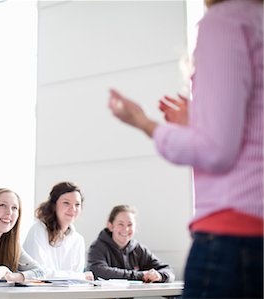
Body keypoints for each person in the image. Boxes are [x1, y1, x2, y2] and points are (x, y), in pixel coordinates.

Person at [108, 0, 263, 297]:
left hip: (232, 238)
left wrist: (145, 124)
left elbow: (217, 151)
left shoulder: (225, 21)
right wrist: (198, 122)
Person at [23, 182, 94, 280]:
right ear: (54, 205)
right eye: (66, 203)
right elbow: (38, 273)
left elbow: (77, 281)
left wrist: (78, 277)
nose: (73, 208)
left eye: (77, 204)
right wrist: (79, 276)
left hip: (66, 294)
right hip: (39, 293)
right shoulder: (38, 230)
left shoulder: (78, 240)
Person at [87, 205, 175, 282]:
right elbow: (97, 271)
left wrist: (159, 276)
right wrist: (140, 275)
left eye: (130, 225)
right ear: (110, 226)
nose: (125, 229)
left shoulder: (139, 249)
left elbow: (168, 270)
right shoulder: (97, 247)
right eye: (120, 224)